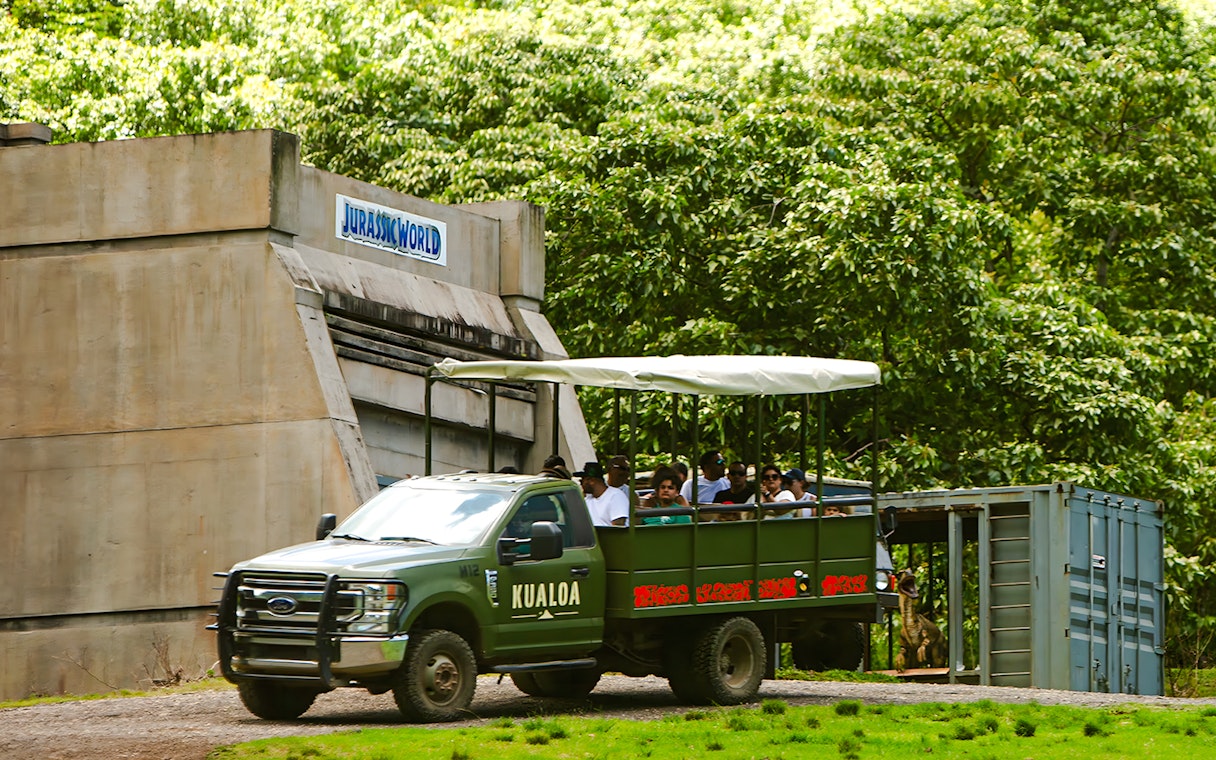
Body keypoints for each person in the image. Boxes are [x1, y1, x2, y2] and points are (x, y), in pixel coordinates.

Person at [575, 461, 629, 526]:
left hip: (609, 535)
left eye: (581, 481)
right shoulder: (588, 499)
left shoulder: (615, 496)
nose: (581, 484)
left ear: (591, 480)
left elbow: (618, 527)